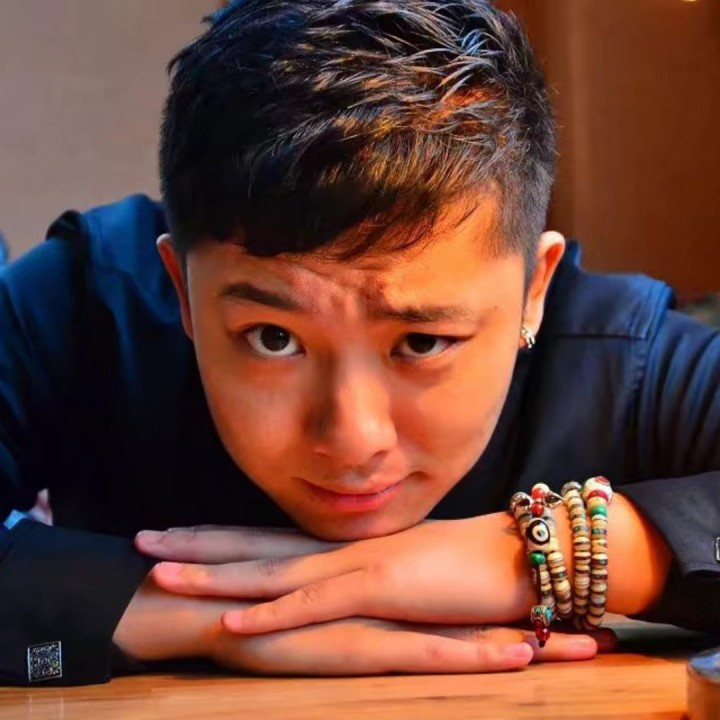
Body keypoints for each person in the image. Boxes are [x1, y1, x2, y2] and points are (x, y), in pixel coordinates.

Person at [1, 0, 719, 687]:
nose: (353, 441)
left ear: (535, 287)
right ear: (181, 291)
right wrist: (195, 615)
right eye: (273, 338)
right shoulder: (90, 302)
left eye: (423, 342)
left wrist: (550, 554)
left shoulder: (620, 356)